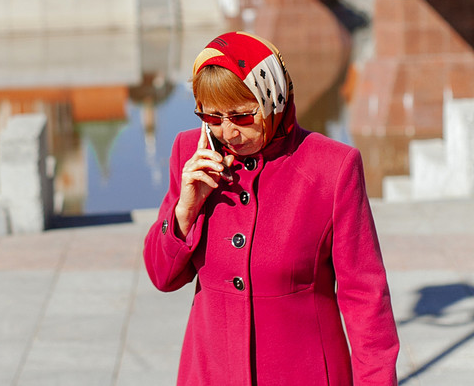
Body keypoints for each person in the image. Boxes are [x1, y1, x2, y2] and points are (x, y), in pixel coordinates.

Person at [143, 32, 399, 385]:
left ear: (272, 98)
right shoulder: (192, 153)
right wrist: (186, 209)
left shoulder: (332, 167)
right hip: (209, 372)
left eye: (242, 116)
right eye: (213, 117)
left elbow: (365, 298)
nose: (228, 132)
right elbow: (162, 277)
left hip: (305, 372)